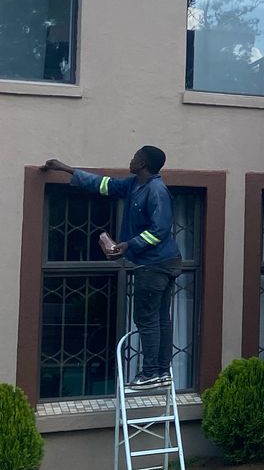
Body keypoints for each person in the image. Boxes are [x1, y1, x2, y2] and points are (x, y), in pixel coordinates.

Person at [42, 147, 181, 388]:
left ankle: (151, 373)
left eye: (135, 157)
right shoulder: (133, 185)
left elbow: (160, 230)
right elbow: (103, 184)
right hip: (159, 263)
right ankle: (162, 372)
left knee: (147, 318)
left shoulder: (156, 190)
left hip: (156, 265)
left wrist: (128, 245)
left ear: (143, 163)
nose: (131, 159)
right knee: (159, 318)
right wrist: (66, 169)